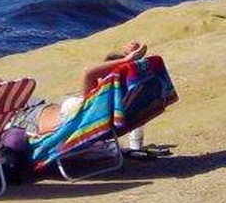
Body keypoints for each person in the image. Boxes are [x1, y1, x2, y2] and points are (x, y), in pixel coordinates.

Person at [10, 42, 151, 138]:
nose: (99, 79)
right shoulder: (123, 102)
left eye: (102, 76)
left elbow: (89, 72)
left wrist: (126, 60)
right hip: (40, 107)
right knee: (9, 92)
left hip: (29, 120)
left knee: (2, 93)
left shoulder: (96, 100)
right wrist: (132, 59)